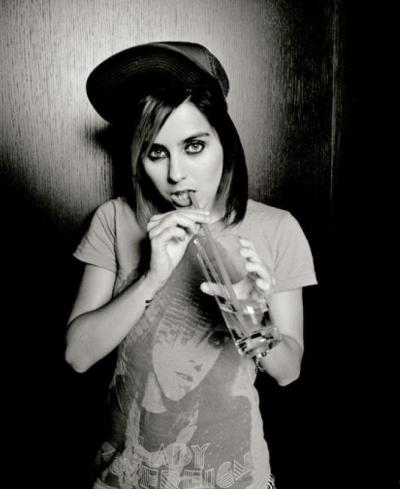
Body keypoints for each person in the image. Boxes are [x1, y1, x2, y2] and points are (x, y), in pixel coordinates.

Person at [65, 41, 317, 489]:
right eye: (156, 153)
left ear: (225, 142)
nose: (176, 174)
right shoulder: (115, 219)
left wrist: (252, 318)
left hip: (235, 477)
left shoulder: (276, 228)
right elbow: (77, 356)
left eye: (194, 145)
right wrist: (152, 277)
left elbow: (288, 371)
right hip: (125, 476)